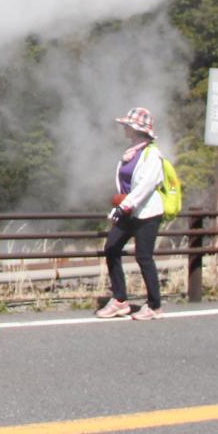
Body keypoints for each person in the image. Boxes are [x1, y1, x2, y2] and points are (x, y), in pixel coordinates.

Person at [95, 107, 165, 321]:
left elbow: (145, 187)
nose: (123, 128)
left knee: (144, 257)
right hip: (128, 210)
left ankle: (154, 305)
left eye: (127, 125)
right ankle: (120, 299)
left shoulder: (152, 154)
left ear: (136, 129)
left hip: (146, 213)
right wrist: (122, 207)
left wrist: (122, 207)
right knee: (112, 248)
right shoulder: (131, 151)